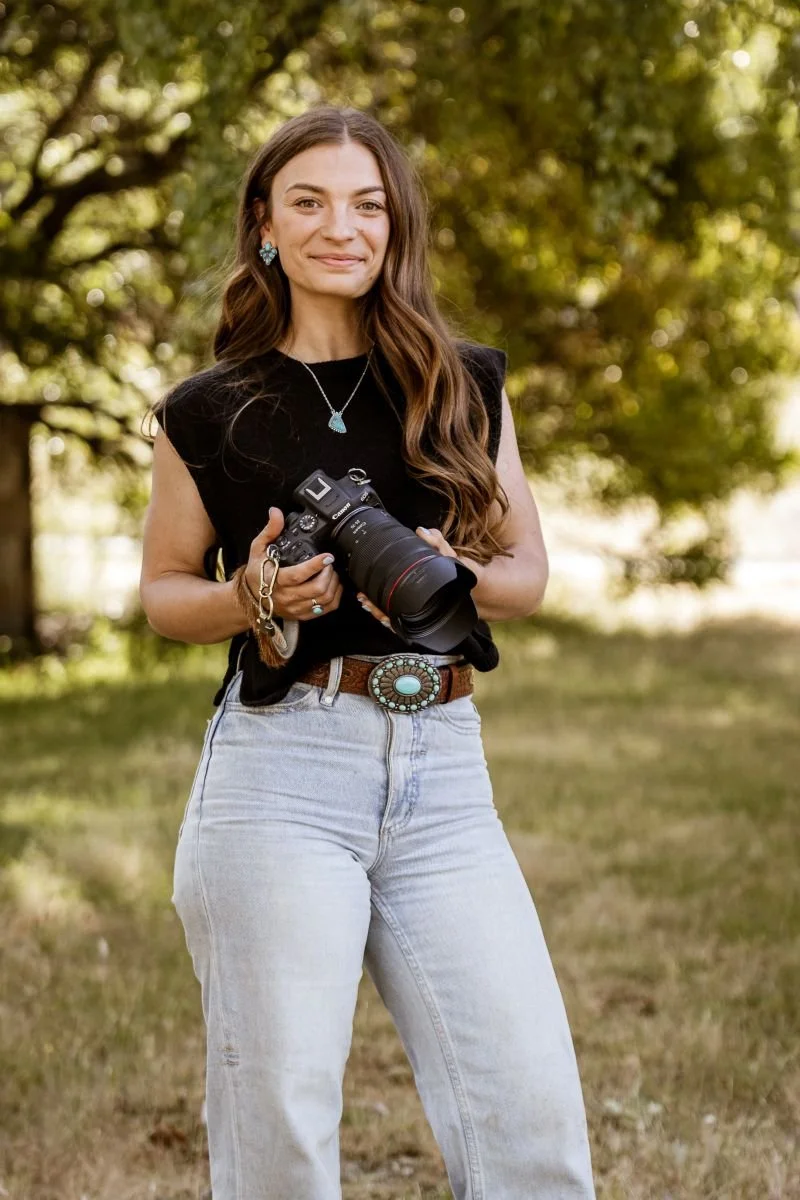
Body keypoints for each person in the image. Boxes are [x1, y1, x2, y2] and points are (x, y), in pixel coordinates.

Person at [140, 103, 596, 1200]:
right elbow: (162, 594)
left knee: (528, 1112)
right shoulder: (207, 410)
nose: (339, 227)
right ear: (265, 224)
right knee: (281, 1133)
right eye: (308, 202)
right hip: (281, 772)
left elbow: (528, 575)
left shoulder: (461, 380)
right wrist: (251, 594)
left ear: (395, 225)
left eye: (367, 204)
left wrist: (453, 570)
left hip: (444, 768)